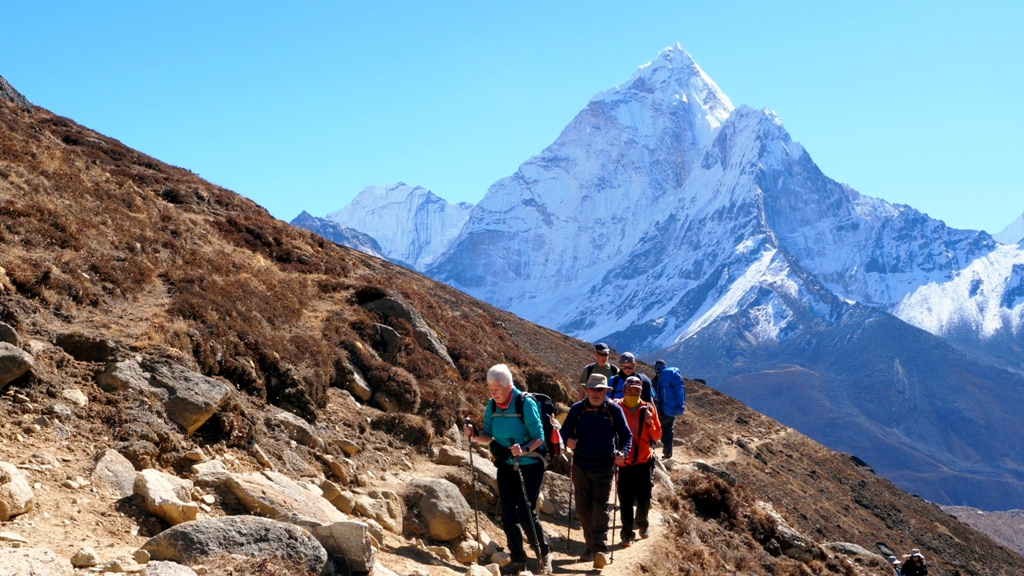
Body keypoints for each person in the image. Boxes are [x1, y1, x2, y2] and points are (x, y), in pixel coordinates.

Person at [463, 364, 552, 575]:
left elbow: (539, 436)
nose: (493, 393)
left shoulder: (524, 404)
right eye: (490, 389)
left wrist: (523, 449)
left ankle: (544, 553)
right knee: (507, 513)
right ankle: (518, 559)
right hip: (505, 464)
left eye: (497, 389)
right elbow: (488, 434)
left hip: (529, 465)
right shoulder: (492, 406)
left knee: (526, 512)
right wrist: (474, 434)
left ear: (509, 386)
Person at [561, 373, 632, 570]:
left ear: (605, 391)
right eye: (592, 389)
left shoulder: (613, 410)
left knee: (599, 507)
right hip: (581, 466)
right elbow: (563, 432)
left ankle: (599, 549)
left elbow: (627, 436)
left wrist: (623, 453)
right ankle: (591, 545)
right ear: (586, 390)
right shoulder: (577, 409)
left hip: (604, 466)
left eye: (599, 389)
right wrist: (568, 440)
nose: (595, 393)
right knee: (584, 509)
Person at [613, 376, 662, 546]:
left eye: (637, 391)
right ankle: (627, 533)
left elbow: (657, 435)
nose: (634, 393)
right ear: (624, 390)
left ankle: (642, 524)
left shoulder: (647, 408)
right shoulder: (616, 407)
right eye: (630, 390)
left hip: (644, 459)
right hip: (624, 460)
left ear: (641, 392)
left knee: (644, 497)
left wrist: (649, 422)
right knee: (624, 498)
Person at [651, 359, 676, 459]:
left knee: (653, 431)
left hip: (658, 412)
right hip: (670, 411)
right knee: (668, 431)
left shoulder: (654, 382)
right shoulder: (671, 381)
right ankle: (668, 453)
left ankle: (652, 452)